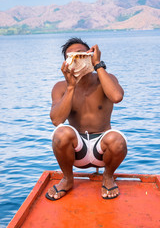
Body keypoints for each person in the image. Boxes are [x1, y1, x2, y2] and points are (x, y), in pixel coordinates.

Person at [45, 37, 127, 201]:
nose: (77, 58)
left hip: (102, 149)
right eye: (71, 56)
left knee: (117, 139)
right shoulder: (60, 86)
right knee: (61, 133)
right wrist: (70, 87)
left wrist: (99, 65)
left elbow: (117, 96)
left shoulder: (105, 78)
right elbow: (56, 120)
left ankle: (108, 177)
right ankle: (67, 179)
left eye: (81, 54)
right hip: (77, 150)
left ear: (91, 55)